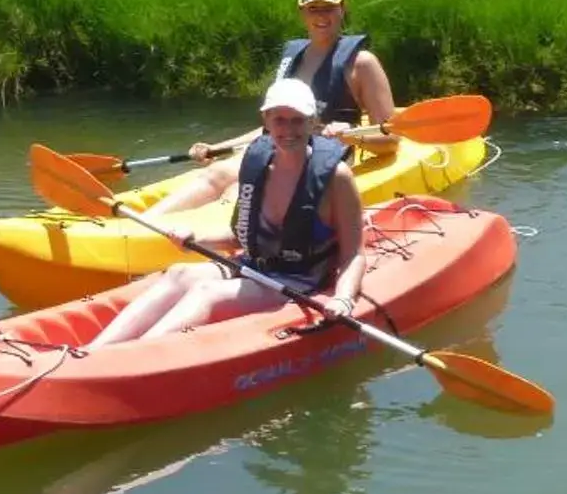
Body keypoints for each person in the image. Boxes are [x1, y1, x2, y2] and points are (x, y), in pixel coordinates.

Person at [89, 77, 366, 346]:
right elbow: (242, 236)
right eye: (279, 120)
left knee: (207, 293)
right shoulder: (257, 163)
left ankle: (132, 357)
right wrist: (196, 238)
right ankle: (94, 352)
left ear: (312, 122)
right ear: (266, 121)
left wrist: (343, 297)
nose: (288, 129)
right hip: (254, 265)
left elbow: (353, 252)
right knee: (179, 273)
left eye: (297, 120)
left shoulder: (335, 178)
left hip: (298, 279)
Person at [148, 0, 400, 217]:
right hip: (281, 149)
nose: (321, 16)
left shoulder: (362, 64)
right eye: (313, 8)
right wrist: (217, 147)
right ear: (302, 12)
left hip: (322, 159)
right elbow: (273, 127)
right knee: (217, 174)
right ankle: (142, 226)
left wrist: (349, 137)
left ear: (342, 9)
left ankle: (217, 238)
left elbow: (390, 140)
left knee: (240, 188)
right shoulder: (295, 60)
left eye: (328, 7)